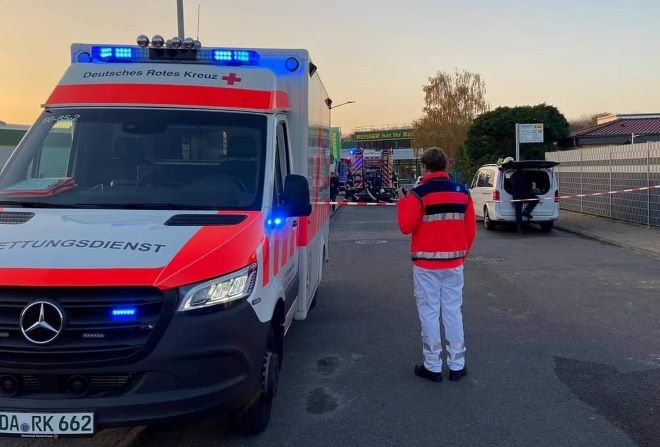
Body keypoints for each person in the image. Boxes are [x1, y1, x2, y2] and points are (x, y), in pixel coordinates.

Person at [397, 147, 476, 383]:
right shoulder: (462, 193)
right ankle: (457, 365)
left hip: (426, 265)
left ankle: (432, 366)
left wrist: (402, 203)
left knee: (429, 312)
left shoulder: (418, 194)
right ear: (445, 165)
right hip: (454, 263)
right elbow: (470, 230)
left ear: (424, 167)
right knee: (453, 311)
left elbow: (406, 227)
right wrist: (461, 256)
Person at [510, 169, 538, 234]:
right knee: (536, 199)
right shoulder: (526, 176)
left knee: (518, 211)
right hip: (525, 195)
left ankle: (520, 228)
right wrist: (526, 196)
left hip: (516, 196)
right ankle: (526, 211)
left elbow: (512, 186)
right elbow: (529, 186)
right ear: (523, 170)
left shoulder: (512, 176)